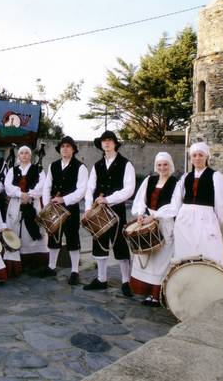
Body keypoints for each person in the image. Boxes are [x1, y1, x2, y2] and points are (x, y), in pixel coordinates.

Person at [83, 130, 136, 297]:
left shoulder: (126, 164)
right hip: (98, 211)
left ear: (115, 143)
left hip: (117, 209)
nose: (106, 143)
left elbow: (129, 189)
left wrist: (109, 199)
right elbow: (90, 188)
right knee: (99, 241)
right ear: (101, 144)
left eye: (109, 140)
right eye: (103, 141)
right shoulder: (97, 165)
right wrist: (87, 209)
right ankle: (101, 279)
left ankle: (126, 281)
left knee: (120, 243)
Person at [173, 142, 223, 270]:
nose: (197, 158)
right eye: (194, 155)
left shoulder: (215, 176)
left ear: (207, 157)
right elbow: (177, 199)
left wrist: (215, 219)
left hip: (206, 217)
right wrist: (178, 215)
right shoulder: (185, 177)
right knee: (185, 251)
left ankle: (208, 284)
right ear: (191, 158)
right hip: (185, 218)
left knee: (208, 250)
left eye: (200, 155)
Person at [130, 152, 180, 306]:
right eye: (159, 164)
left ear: (170, 165)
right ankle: (148, 293)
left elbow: (175, 206)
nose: (162, 167)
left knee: (161, 261)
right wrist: (140, 214)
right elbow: (140, 200)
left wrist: (155, 215)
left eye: (165, 164)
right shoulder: (149, 180)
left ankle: (157, 295)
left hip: (165, 224)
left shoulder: (175, 183)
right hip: (148, 221)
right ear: (155, 166)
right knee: (149, 259)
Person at [40, 136, 88, 284]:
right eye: (63, 146)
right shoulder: (53, 165)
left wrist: (64, 199)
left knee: (72, 238)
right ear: (59, 149)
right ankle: (51, 266)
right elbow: (47, 186)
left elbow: (81, 190)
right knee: (54, 236)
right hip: (53, 207)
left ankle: (74, 271)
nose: (65, 149)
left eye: (68, 146)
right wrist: (47, 203)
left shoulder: (80, 167)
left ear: (73, 149)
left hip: (70, 208)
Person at [4, 146, 48, 274]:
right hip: (16, 204)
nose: (24, 155)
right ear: (18, 156)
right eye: (22, 153)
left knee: (30, 233)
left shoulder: (38, 170)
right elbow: (8, 185)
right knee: (15, 229)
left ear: (30, 155)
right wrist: (20, 194)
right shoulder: (13, 170)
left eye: (27, 153)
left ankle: (32, 262)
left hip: (32, 203)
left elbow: (42, 185)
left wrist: (29, 195)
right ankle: (16, 263)